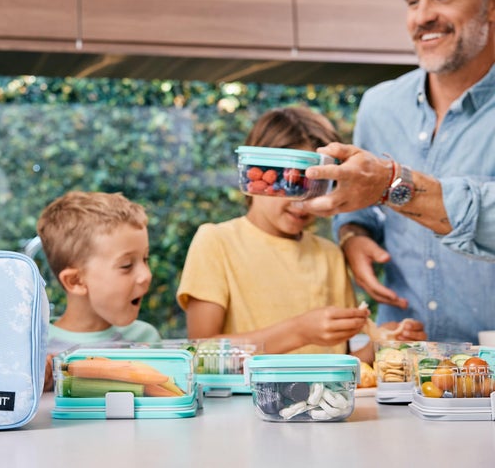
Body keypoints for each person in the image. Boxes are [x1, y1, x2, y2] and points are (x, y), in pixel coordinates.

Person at [299, 0, 495, 344]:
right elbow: (363, 209)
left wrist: (393, 183)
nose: (422, 17)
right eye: (412, 1)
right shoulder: (379, 106)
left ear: (491, 4)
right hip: (402, 367)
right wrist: (353, 235)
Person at [176, 107, 415, 361]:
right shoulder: (216, 242)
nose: (303, 202)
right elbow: (201, 354)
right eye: (292, 184)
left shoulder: (330, 254)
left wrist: (383, 345)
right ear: (257, 174)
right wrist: (299, 332)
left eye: (319, 187)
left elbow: (341, 362)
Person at [36, 191, 161, 388]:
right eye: (127, 265)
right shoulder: (36, 348)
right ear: (76, 281)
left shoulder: (146, 339)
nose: (146, 275)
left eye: (145, 259)